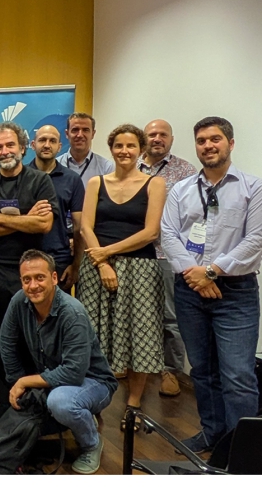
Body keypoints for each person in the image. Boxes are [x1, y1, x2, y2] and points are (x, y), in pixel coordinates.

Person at [161, 116, 262, 454]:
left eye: (215, 139)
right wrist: (195, 274)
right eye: (202, 140)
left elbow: (256, 238)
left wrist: (213, 272)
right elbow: (169, 235)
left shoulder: (252, 188)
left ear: (230, 143)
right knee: (202, 372)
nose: (208, 146)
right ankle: (213, 435)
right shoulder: (181, 190)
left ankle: (243, 450)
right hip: (190, 290)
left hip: (236, 292)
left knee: (238, 376)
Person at [78, 124, 166, 432]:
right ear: (111, 148)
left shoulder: (155, 184)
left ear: (141, 150)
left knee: (138, 336)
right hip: (95, 268)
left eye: (131, 146)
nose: (124, 151)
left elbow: (151, 232)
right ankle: (91, 402)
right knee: (91, 335)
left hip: (139, 269)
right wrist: (102, 262)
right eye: (118, 146)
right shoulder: (96, 182)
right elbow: (86, 227)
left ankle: (134, 405)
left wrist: (107, 253)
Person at [0, 121, 58, 422]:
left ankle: (35, 403)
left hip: (31, 270)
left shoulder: (40, 182)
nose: (4, 151)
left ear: (23, 147)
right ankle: (8, 405)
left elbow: (44, 225)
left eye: (10, 145)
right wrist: (24, 218)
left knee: (35, 338)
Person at [1, 250, 118, 474]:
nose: (33, 285)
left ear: (54, 278)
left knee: (60, 403)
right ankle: (82, 417)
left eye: (39, 277)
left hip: (94, 381)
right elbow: (7, 342)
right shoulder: (19, 301)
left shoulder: (73, 313)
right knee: (37, 412)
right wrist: (16, 381)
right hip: (56, 377)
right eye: (27, 280)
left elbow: (74, 372)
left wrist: (25, 382)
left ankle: (92, 444)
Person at [139, 119, 197, 397]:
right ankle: (134, 364)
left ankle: (170, 370)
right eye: (152, 134)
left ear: (171, 139)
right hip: (134, 252)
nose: (157, 138)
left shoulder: (186, 171)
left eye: (163, 134)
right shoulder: (130, 166)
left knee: (170, 316)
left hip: (167, 253)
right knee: (135, 311)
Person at [29, 124, 86, 291]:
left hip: (59, 260)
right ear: (33, 145)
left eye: (52, 141)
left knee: (57, 314)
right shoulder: (21, 177)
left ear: (60, 147)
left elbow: (79, 227)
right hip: (25, 257)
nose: (47, 145)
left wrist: (75, 265)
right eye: (42, 140)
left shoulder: (72, 180)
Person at [57, 113, 115, 185]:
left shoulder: (106, 168)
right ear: (67, 134)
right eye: (75, 130)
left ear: (93, 134)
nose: (80, 135)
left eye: (85, 130)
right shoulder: (55, 165)